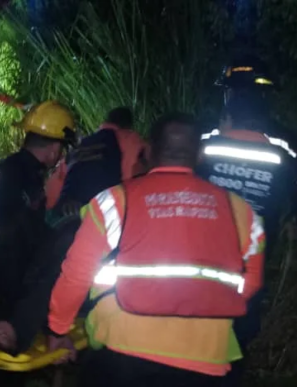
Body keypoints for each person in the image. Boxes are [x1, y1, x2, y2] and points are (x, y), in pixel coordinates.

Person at [46, 113, 265, 387]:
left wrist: (58, 328)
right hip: (206, 357)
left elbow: (77, 273)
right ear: (199, 155)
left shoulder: (114, 201)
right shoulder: (242, 212)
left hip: (123, 352)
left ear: (148, 151)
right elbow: (252, 282)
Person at [199, 55, 297, 384]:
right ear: (266, 97)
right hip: (252, 256)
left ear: (228, 96)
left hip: (201, 251)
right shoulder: (287, 143)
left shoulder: (208, 138)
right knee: (240, 327)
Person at [0, 101, 77, 386]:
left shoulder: (9, 169)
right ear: (55, 148)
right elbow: (23, 233)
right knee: (3, 368)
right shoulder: (27, 179)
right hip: (11, 280)